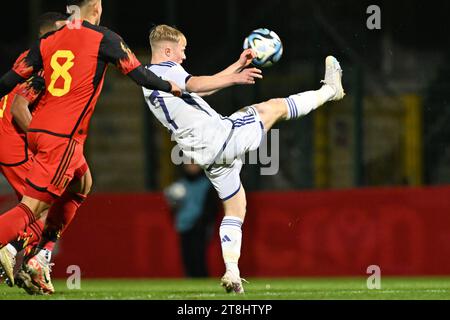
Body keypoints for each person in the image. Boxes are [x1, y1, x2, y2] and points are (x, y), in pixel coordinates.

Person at [143, 25, 345, 293]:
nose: (183, 56)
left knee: (236, 205)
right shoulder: (165, 70)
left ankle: (232, 272)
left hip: (207, 155)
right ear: (167, 51)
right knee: (271, 108)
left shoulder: (152, 80)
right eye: (181, 51)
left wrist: (236, 67)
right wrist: (235, 79)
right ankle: (331, 91)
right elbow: (196, 83)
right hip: (219, 138)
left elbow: (198, 90)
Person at [0, 0, 181, 295]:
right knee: (34, 209)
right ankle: (16, 250)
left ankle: (39, 255)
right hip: (49, 138)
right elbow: (138, 75)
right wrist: (172, 86)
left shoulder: (49, 44)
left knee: (82, 180)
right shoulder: (93, 40)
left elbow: (8, 82)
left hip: (42, 136)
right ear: (95, 7)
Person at [0, 12, 86, 295]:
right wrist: (45, 142)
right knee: (43, 202)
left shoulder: (40, 56)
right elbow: (19, 108)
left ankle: (31, 258)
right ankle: (18, 253)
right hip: (14, 142)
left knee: (77, 185)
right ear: (48, 35)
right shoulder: (47, 59)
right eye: (63, 31)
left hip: (10, 140)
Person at [164, 164, 219, 278]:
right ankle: (191, 282)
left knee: (198, 257)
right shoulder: (180, 185)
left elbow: (212, 207)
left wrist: (203, 222)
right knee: (187, 258)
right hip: (184, 227)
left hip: (200, 227)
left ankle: (202, 282)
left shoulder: (206, 185)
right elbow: (173, 208)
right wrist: (173, 202)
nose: (191, 166)